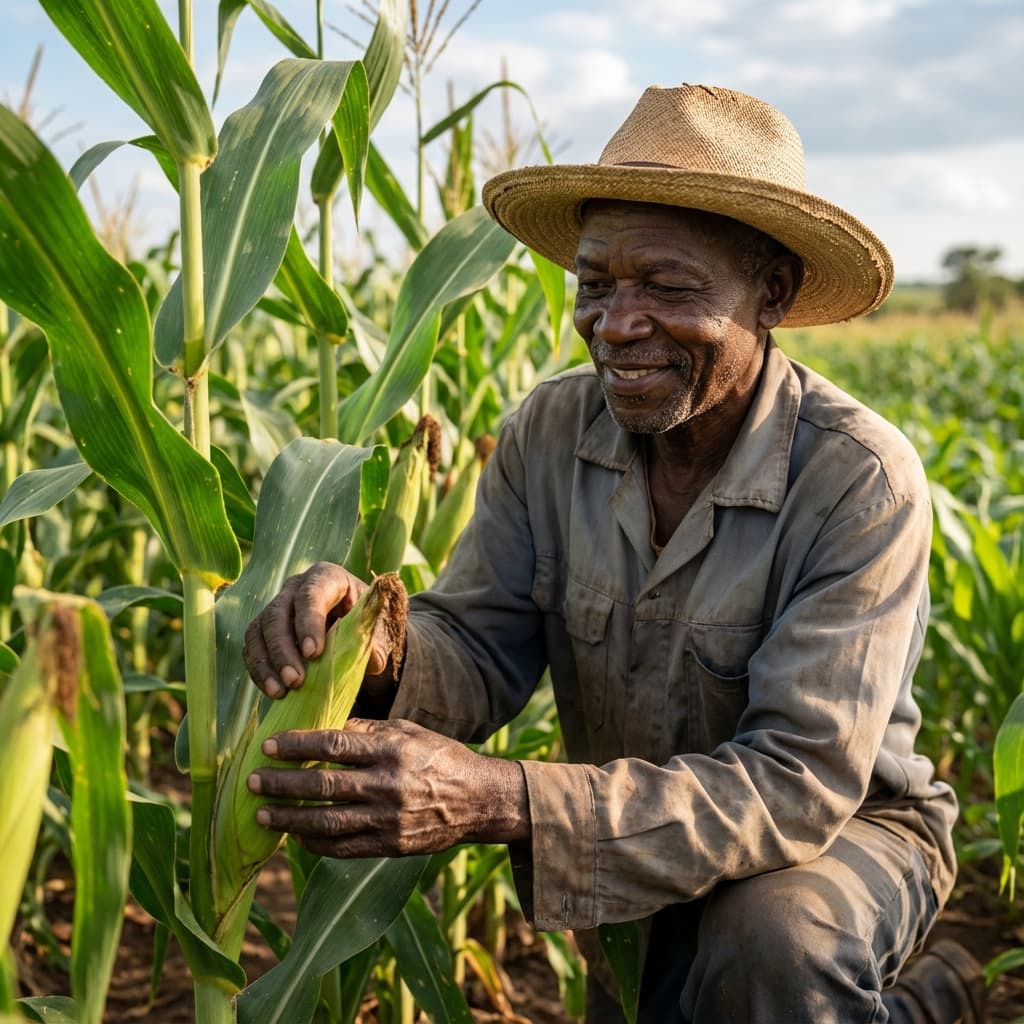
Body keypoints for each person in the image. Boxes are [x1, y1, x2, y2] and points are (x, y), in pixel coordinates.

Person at [243, 85, 983, 1023]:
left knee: (770, 946)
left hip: (843, 837)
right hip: (625, 834)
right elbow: (480, 643)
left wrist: (506, 801)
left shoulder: (859, 479)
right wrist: (374, 643)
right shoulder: (549, 432)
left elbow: (796, 785)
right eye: (595, 285)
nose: (618, 323)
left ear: (773, 293)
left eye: (668, 287)